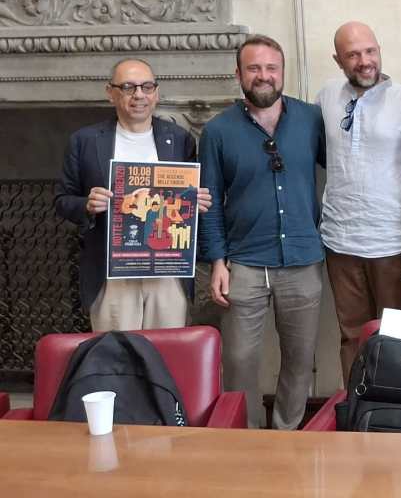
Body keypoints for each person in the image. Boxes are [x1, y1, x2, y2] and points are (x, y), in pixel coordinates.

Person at [199, 34, 326, 429]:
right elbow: (208, 201)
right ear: (238, 74)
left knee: (300, 360)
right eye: (254, 68)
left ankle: (287, 433)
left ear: (283, 72)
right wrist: (217, 261)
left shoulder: (312, 120)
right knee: (239, 360)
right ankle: (249, 436)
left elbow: (346, 171)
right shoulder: (217, 131)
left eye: (271, 68)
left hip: (302, 259)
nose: (263, 75)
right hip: (244, 263)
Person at [54, 57, 210, 331]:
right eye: (128, 87)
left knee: (166, 352)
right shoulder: (85, 141)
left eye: (147, 87)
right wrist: (87, 204)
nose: (139, 95)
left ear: (156, 93)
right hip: (112, 274)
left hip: (166, 271)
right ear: (110, 92)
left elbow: (189, 200)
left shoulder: (179, 139)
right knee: (116, 353)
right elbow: (62, 200)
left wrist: (196, 202)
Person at [316, 21, 401, 381]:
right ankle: (357, 408)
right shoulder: (326, 97)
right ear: (338, 60)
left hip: (394, 243)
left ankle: (399, 409)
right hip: (340, 243)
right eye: (353, 54)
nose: (364, 61)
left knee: (400, 340)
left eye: (370, 51)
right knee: (352, 337)